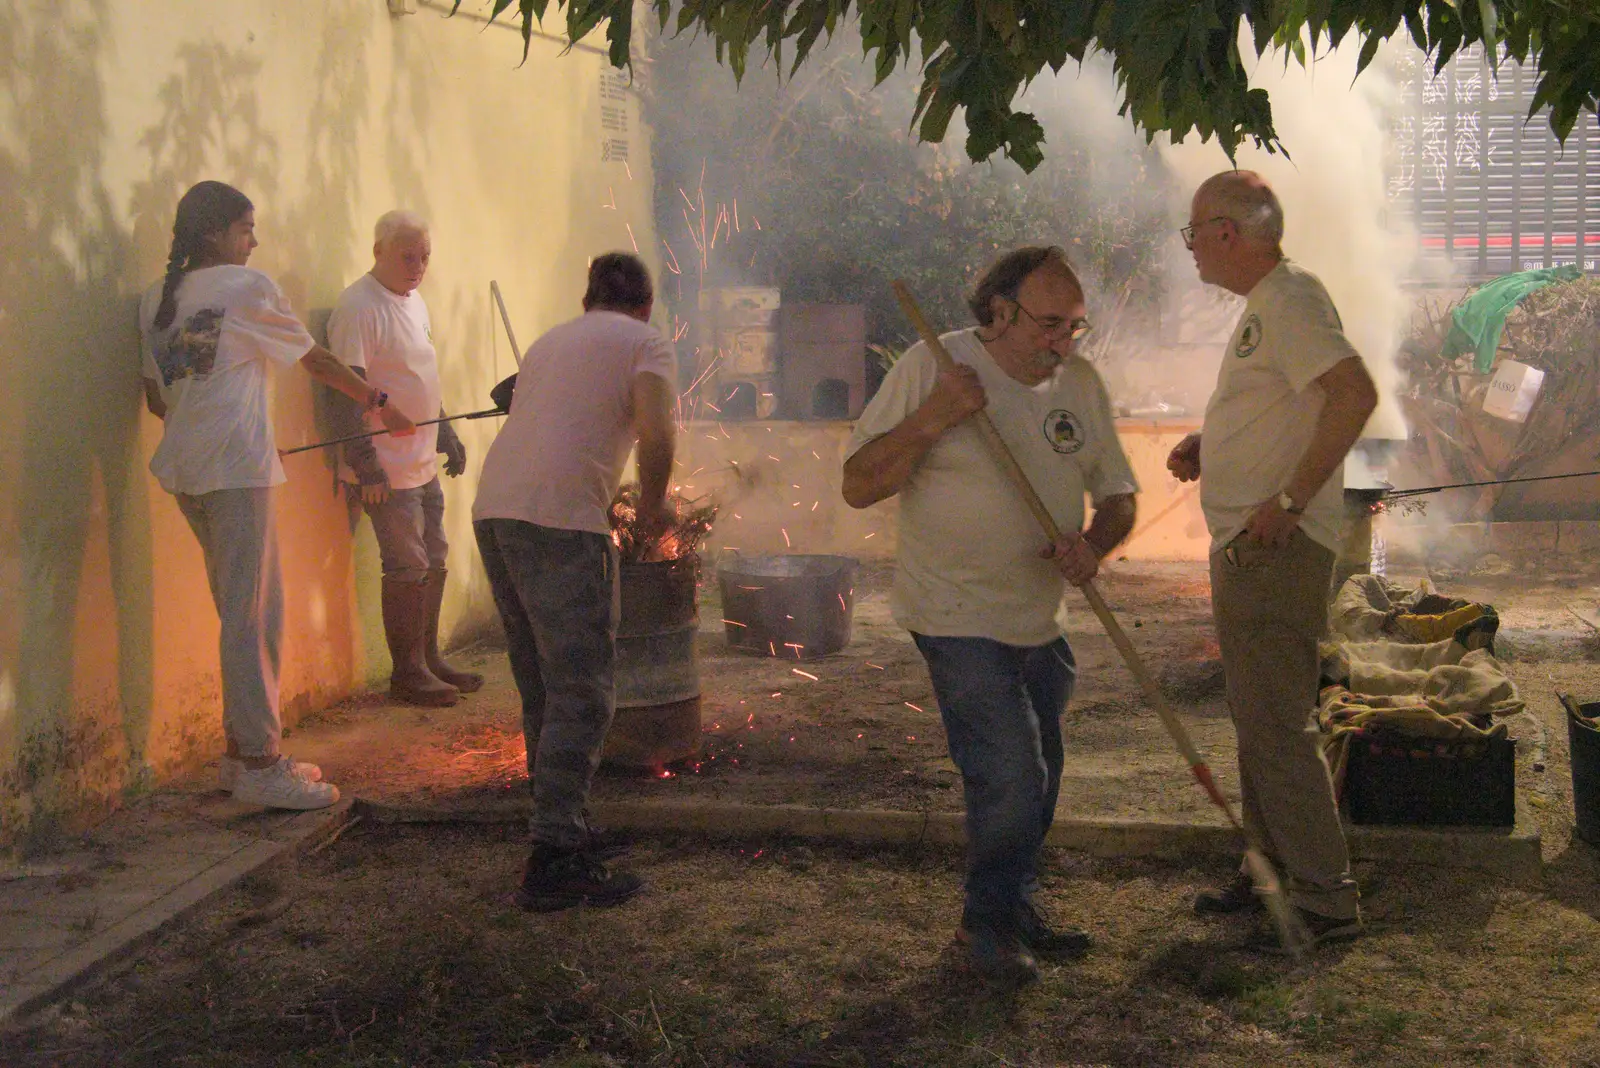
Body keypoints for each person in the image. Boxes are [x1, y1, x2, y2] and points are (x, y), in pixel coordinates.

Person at [842, 246, 1138, 988]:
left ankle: (1013, 905)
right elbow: (857, 485)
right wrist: (937, 416)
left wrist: (1093, 544)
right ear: (998, 312)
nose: (1063, 344)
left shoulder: (1081, 383)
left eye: (1076, 327)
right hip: (952, 611)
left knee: (1042, 776)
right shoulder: (932, 369)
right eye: (1048, 325)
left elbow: (1119, 494)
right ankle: (987, 927)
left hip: (1041, 618)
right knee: (1009, 771)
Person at [139, 181, 417, 810]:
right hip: (235, 471)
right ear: (216, 233)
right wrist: (379, 402)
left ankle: (242, 756)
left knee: (239, 609)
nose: (254, 241)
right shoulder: (247, 287)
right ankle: (261, 763)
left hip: (188, 468)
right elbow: (314, 361)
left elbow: (160, 398)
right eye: (246, 228)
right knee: (254, 613)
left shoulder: (155, 299)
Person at [1167, 170, 1378, 946]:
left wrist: (1288, 505)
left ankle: (1323, 898)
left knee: (1278, 726)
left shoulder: (1289, 298)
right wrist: (1212, 445)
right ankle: (1271, 872)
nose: (1190, 250)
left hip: (1274, 549)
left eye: (1194, 234)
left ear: (1227, 233)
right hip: (1252, 546)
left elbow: (1353, 394)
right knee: (1259, 720)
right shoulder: (1271, 304)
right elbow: (1288, 405)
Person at [473, 252, 676, 912]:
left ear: (588, 300)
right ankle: (555, 856)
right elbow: (656, 427)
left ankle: (560, 827)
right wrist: (653, 504)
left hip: (496, 512)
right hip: (561, 522)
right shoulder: (646, 341)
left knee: (543, 685)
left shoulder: (549, 341)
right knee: (584, 691)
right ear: (644, 304)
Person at [327, 211, 481, 707]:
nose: (418, 266)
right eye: (407, 256)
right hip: (385, 468)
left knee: (433, 557)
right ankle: (406, 672)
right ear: (378, 251)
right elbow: (344, 390)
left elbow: (419, 378)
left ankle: (429, 658)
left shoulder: (415, 302)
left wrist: (447, 432)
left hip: (420, 459)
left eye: (425, 257)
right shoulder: (357, 307)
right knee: (407, 564)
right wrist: (366, 466)